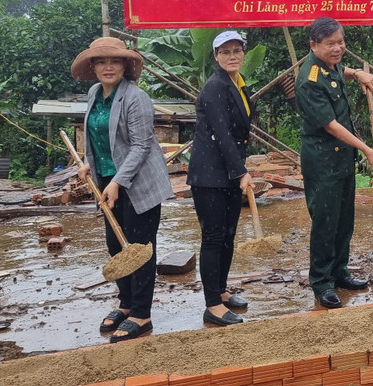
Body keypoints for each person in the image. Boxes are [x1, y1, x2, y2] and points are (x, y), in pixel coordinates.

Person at [71, 37, 174, 343]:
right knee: (116, 245)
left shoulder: (135, 97)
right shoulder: (94, 93)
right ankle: (126, 304)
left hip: (138, 182)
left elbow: (141, 146)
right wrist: (88, 163)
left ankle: (141, 314)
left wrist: (118, 182)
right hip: (106, 180)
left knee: (138, 249)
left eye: (114, 61)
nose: (108, 67)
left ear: (124, 66)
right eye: (101, 62)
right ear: (93, 67)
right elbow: (98, 137)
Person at [295, 17, 373, 309]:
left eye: (340, 42)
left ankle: (339, 271)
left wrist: (357, 73)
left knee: (344, 219)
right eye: (330, 44)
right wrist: (367, 149)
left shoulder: (330, 66)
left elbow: (338, 72)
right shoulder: (308, 80)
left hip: (342, 158)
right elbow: (331, 125)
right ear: (314, 45)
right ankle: (322, 282)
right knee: (325, 222)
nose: (338, 48)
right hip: (322, 161)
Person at [187, 31, 255, 325]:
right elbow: (221, 134)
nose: (232, 56)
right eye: (225, 52)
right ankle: (212, 305)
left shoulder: (237, 82)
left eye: (237, 50)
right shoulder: (215, 86)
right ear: (215, 56)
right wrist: (242, 171)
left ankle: (222, 290)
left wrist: (237, 170)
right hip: (209, 175)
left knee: (228, 235)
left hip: (227, 173)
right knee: (214, 238)